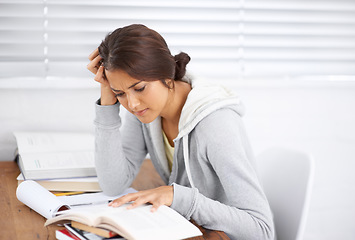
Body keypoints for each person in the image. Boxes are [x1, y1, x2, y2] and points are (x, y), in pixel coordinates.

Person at [87, 24, 274, 240]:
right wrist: (107, 101)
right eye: (120, 92)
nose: (132, 103)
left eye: (139, 88)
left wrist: (178, 196)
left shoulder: (215, 124)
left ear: (166, 76)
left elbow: (261, 230)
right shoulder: (146, 112)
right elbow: (113, 183)